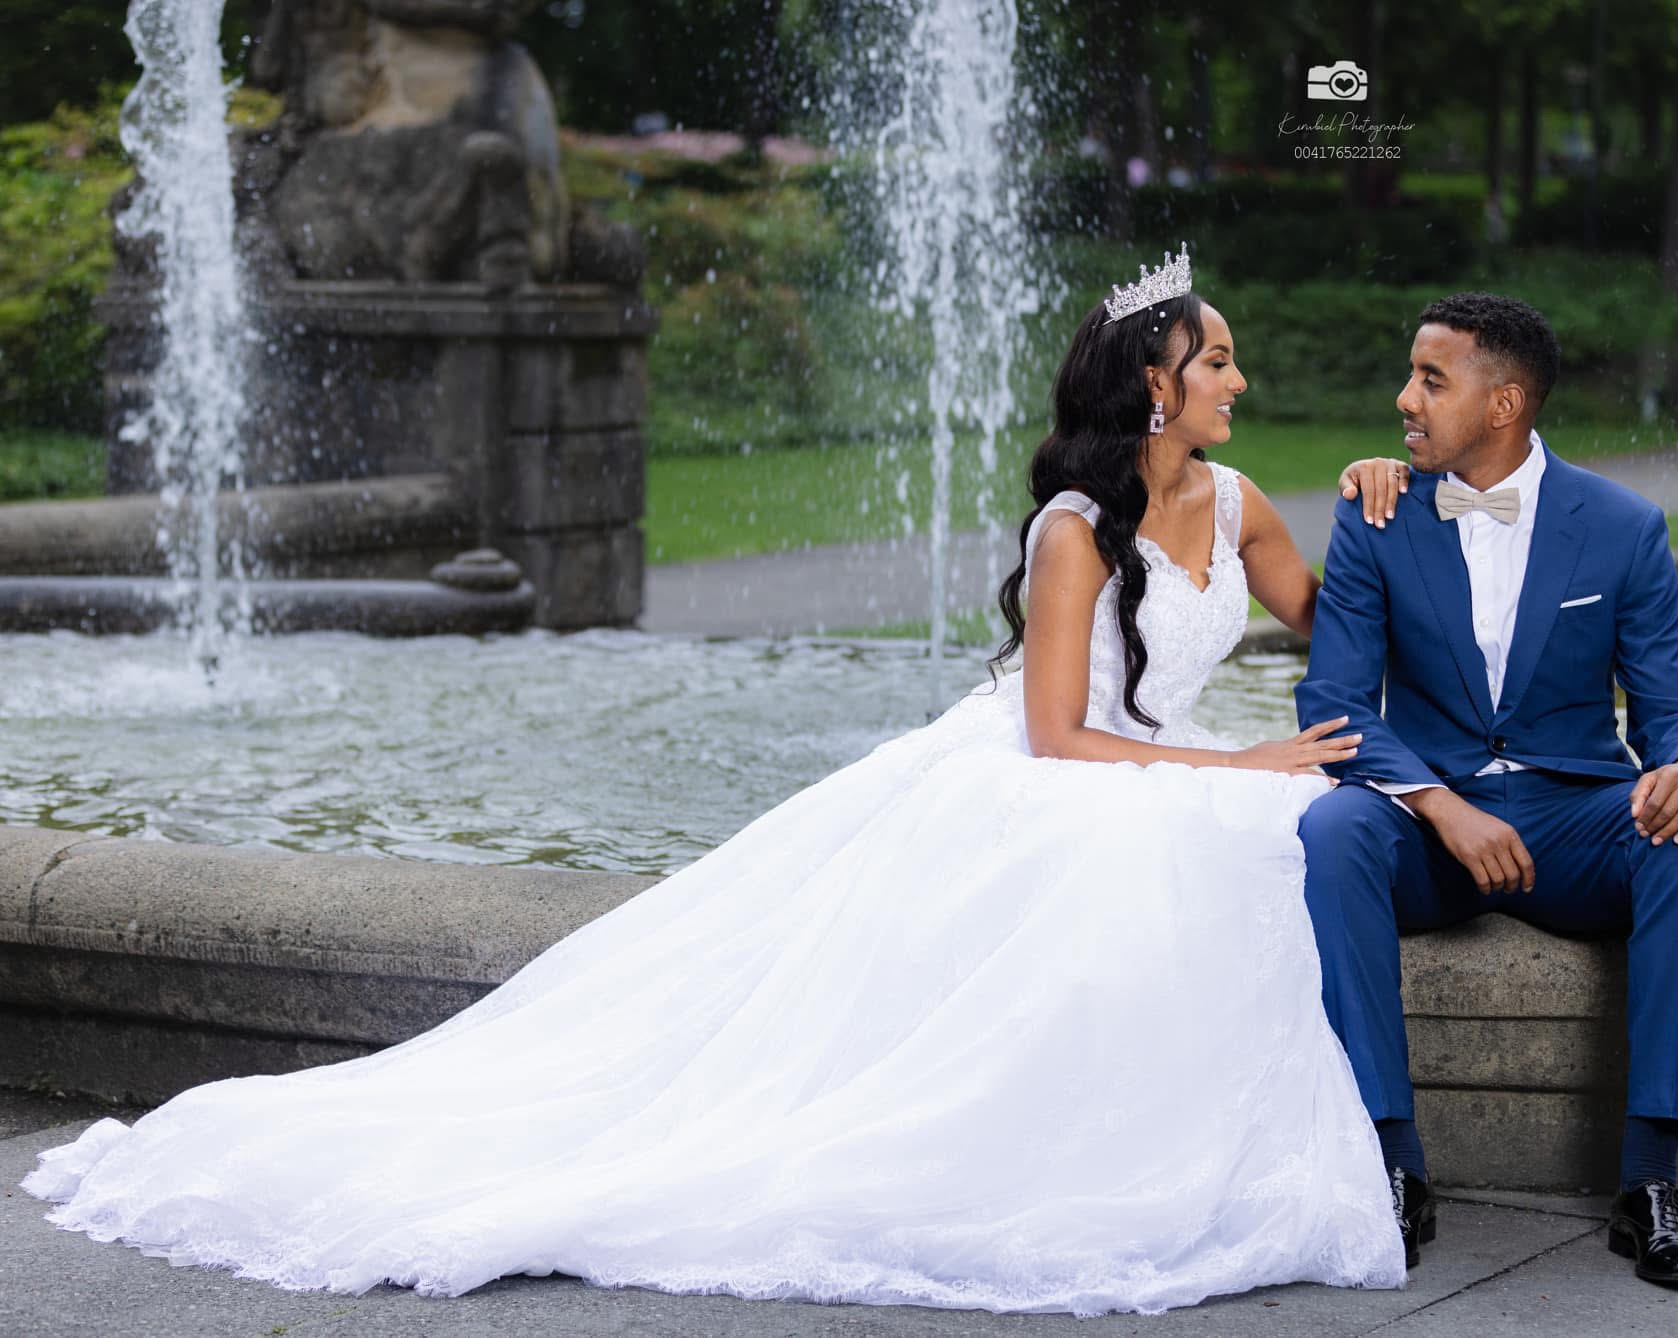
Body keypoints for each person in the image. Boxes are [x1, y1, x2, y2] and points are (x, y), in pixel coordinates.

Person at [21, 247, 1412, 1315]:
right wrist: (1236, 758)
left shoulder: (1240, 504)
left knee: (1258, 831)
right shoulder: (1072, 531)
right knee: (1191, 839)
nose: (1238, 380)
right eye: (1217, 360)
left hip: (1152, 761)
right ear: (1157, 385)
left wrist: (1376, 497)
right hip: (1059, 768)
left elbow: (1334, 621)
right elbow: (1058, 737)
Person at [1294, 292, 1678, 1289]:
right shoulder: (1375, 515)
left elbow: (1671, 707)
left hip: (1570, 820)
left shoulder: (1623, 528)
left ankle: (1650, 1184)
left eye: (1430, 379)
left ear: (1503, 404)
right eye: (1411, 375)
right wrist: (1440, 806)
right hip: (1429, 826)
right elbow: (1334, 707)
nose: (1404, 398)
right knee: (1334, 830)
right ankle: (1391, 1164)